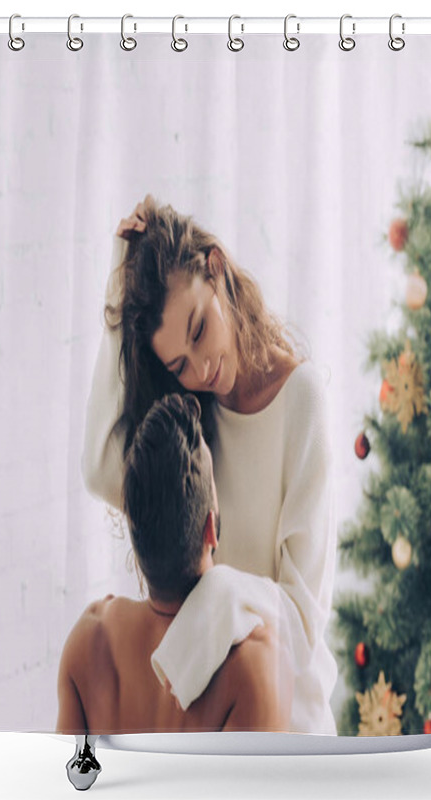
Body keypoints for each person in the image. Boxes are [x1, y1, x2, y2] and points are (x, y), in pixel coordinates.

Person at [81, 196, 338, 734]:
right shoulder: (192, 417)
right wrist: (117, 293)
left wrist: (220, 590)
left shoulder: (302, 401)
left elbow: (301, 622)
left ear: (216, 268)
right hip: (210, 719)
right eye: (179, 364)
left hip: (290, 727)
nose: (201, 368)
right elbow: (102, 468)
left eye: (198, 329)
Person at [58, 393, 293, 734]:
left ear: (137, 540)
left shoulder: (88, 641)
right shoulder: (255, 668)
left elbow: (66, 784)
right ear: (210, 529)